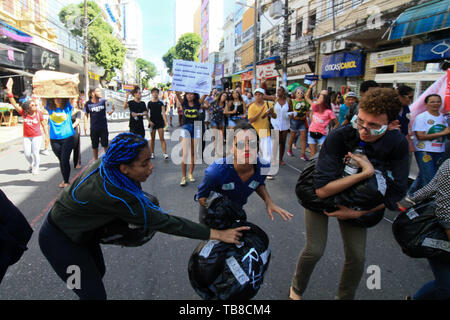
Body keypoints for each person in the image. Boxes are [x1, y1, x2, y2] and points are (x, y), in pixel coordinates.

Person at [38, 132, 250, 300]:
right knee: (92, 294)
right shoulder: (115, 194)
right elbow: (167, 223)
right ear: (125, 168)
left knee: (96, 274)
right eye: (144, 164)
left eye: (150, 159)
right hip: (60, 239)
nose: (151, 167)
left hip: (83, 232)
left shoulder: (112, 163)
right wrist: (217, 234)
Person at [289, 88, 410, 300]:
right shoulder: (340, 135)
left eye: (374, 126)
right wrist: (366, 173)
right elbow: (322, 189)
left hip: (358, 203)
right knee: (314, 249)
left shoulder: (397, 142)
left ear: (391, 124)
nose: (364, 130)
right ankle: (296, 290)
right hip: (321, 196)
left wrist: (357, 213)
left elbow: (396, 191)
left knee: (357, 256)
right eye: (361, 121)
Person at [196, 121, 293, 224]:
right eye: (240, 144)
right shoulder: (215, 172)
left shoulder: (263, 167)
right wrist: (220, 224)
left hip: (236, 214)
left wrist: (269, 201)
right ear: (231, 147)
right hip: (212, 217)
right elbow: (201, 197)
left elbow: (258, 182)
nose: (247, 148)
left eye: (252, 143)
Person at [400, 158, 450, 300]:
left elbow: (430, 187)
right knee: (446, 288)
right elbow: (445, 216)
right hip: (442, 238)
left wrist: (412, 198)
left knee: (444, 286)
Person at [408, 94, 449, 195]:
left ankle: (411, 196)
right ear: (426, 104)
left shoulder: (444, 118)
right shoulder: (422, 117)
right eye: (432, 102)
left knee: (424, 175)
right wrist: (443, 133)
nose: (436, 104)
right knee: (430, 179)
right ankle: (428, 204)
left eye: (438, 101)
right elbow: (420, 136)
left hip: (439, 151)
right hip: (424, 151)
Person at [6, 78, 48, 175]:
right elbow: (13, 103)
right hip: (27, 137)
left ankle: (36, 167)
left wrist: (46, 135)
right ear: (28, 107)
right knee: (27, 154)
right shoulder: (24, 113)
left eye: (35, 105)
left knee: (35, 153)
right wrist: (9, 92)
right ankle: (31, 163)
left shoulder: (38, 114)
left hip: (37, 136)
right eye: (33, 105)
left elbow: (44, 125)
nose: (35, 106)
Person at [174, 91, 208, 186]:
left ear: (194, 95)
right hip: (186, 128)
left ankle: (190, 174)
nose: (189, 95)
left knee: (193, 153)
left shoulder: (198, 103)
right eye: (188, 94)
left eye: (192, 94)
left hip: (196, 127)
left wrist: (211, 78)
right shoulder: (184, 103)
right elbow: (176, 93)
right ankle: (183, 177)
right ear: (185, 95)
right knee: (185, 154)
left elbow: (206, 93)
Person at [247, 88, 277, 180]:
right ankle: (253, 170)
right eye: (256, 94)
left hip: (265, 131)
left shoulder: (269, 104)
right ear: (254, 96)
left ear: (263, 95)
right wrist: (260, 113)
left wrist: (271, 113)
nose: (258, 96)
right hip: (254, 132)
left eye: (260, 94)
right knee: (255, 153)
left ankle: (265, 172)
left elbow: (275, 117)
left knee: (266, 153)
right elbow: (251, 120)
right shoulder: (252, 107)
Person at [305, 82, 339, 157]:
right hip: (311, 132)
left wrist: (332, 131)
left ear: (325, 99)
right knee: (312, 154)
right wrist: (310, 87)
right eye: (319, 95)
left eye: (321, 96)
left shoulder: (329, 111)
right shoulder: (315, 106)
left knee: (322, 154)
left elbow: (337, 123)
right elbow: (306, 97)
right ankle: (311, 168)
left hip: (322, 134)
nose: (318, 98)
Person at [264, 86, 294, 166]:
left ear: (284, 92)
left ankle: (280, 159)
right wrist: (263, 84)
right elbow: (264, 96)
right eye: (277, 90)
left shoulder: (288, 101)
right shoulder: (274, 99)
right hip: (275, 123)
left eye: (280, 90)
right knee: (275, 142)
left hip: (285, 123)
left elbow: (291, 111)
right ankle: (273, 159)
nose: (278, 91)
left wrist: (291, 115)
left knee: (283, 142)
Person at [84, 88, 115, 161]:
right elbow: (86, 114)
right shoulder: (88, 103)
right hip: (94, 128)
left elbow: (109, 112)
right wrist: (85, 125)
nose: (100, 93)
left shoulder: (104, 101)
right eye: (98, 91)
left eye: (100, 91)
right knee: (95, 146)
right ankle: (95, 161)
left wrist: (113, 109)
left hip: (103, 127)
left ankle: (108, 159)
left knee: (105, 144)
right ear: (92, 94)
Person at [287, 87, 310, 161]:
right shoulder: (292, 101)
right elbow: (290, 111)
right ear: (295, 94)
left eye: (301, 92)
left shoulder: (305, 101)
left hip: (302, 121)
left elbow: (308, 110)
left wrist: (307, 115)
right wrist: (289, 121)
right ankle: (289, 149)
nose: (300, 94)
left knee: (303, 138)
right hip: (294, 121)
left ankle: (303, 154)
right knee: (292, 136)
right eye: (298, 93)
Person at [147, 87, 169, 160]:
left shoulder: (161, 103)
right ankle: (152, 153)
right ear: (152, 94)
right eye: (154, 92)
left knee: (162, 138)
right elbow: (146, 113)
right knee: (152, 139)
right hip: (152, 122)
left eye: (156, 92)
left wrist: (165, 122)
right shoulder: (149, 103)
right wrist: (149, 121)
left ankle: (165, 153)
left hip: (160, 121)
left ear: (158, 93)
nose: (155, 94)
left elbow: (163, 113)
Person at [71, 98, 83, 169]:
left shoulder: (78, 112)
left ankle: (77, 162)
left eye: (75, 102)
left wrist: (70, 127)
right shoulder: (67, 111)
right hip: (67, 131)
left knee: (76, 146)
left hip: (74, 130)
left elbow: (77, 122)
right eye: (72, 102)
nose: (73, 104)